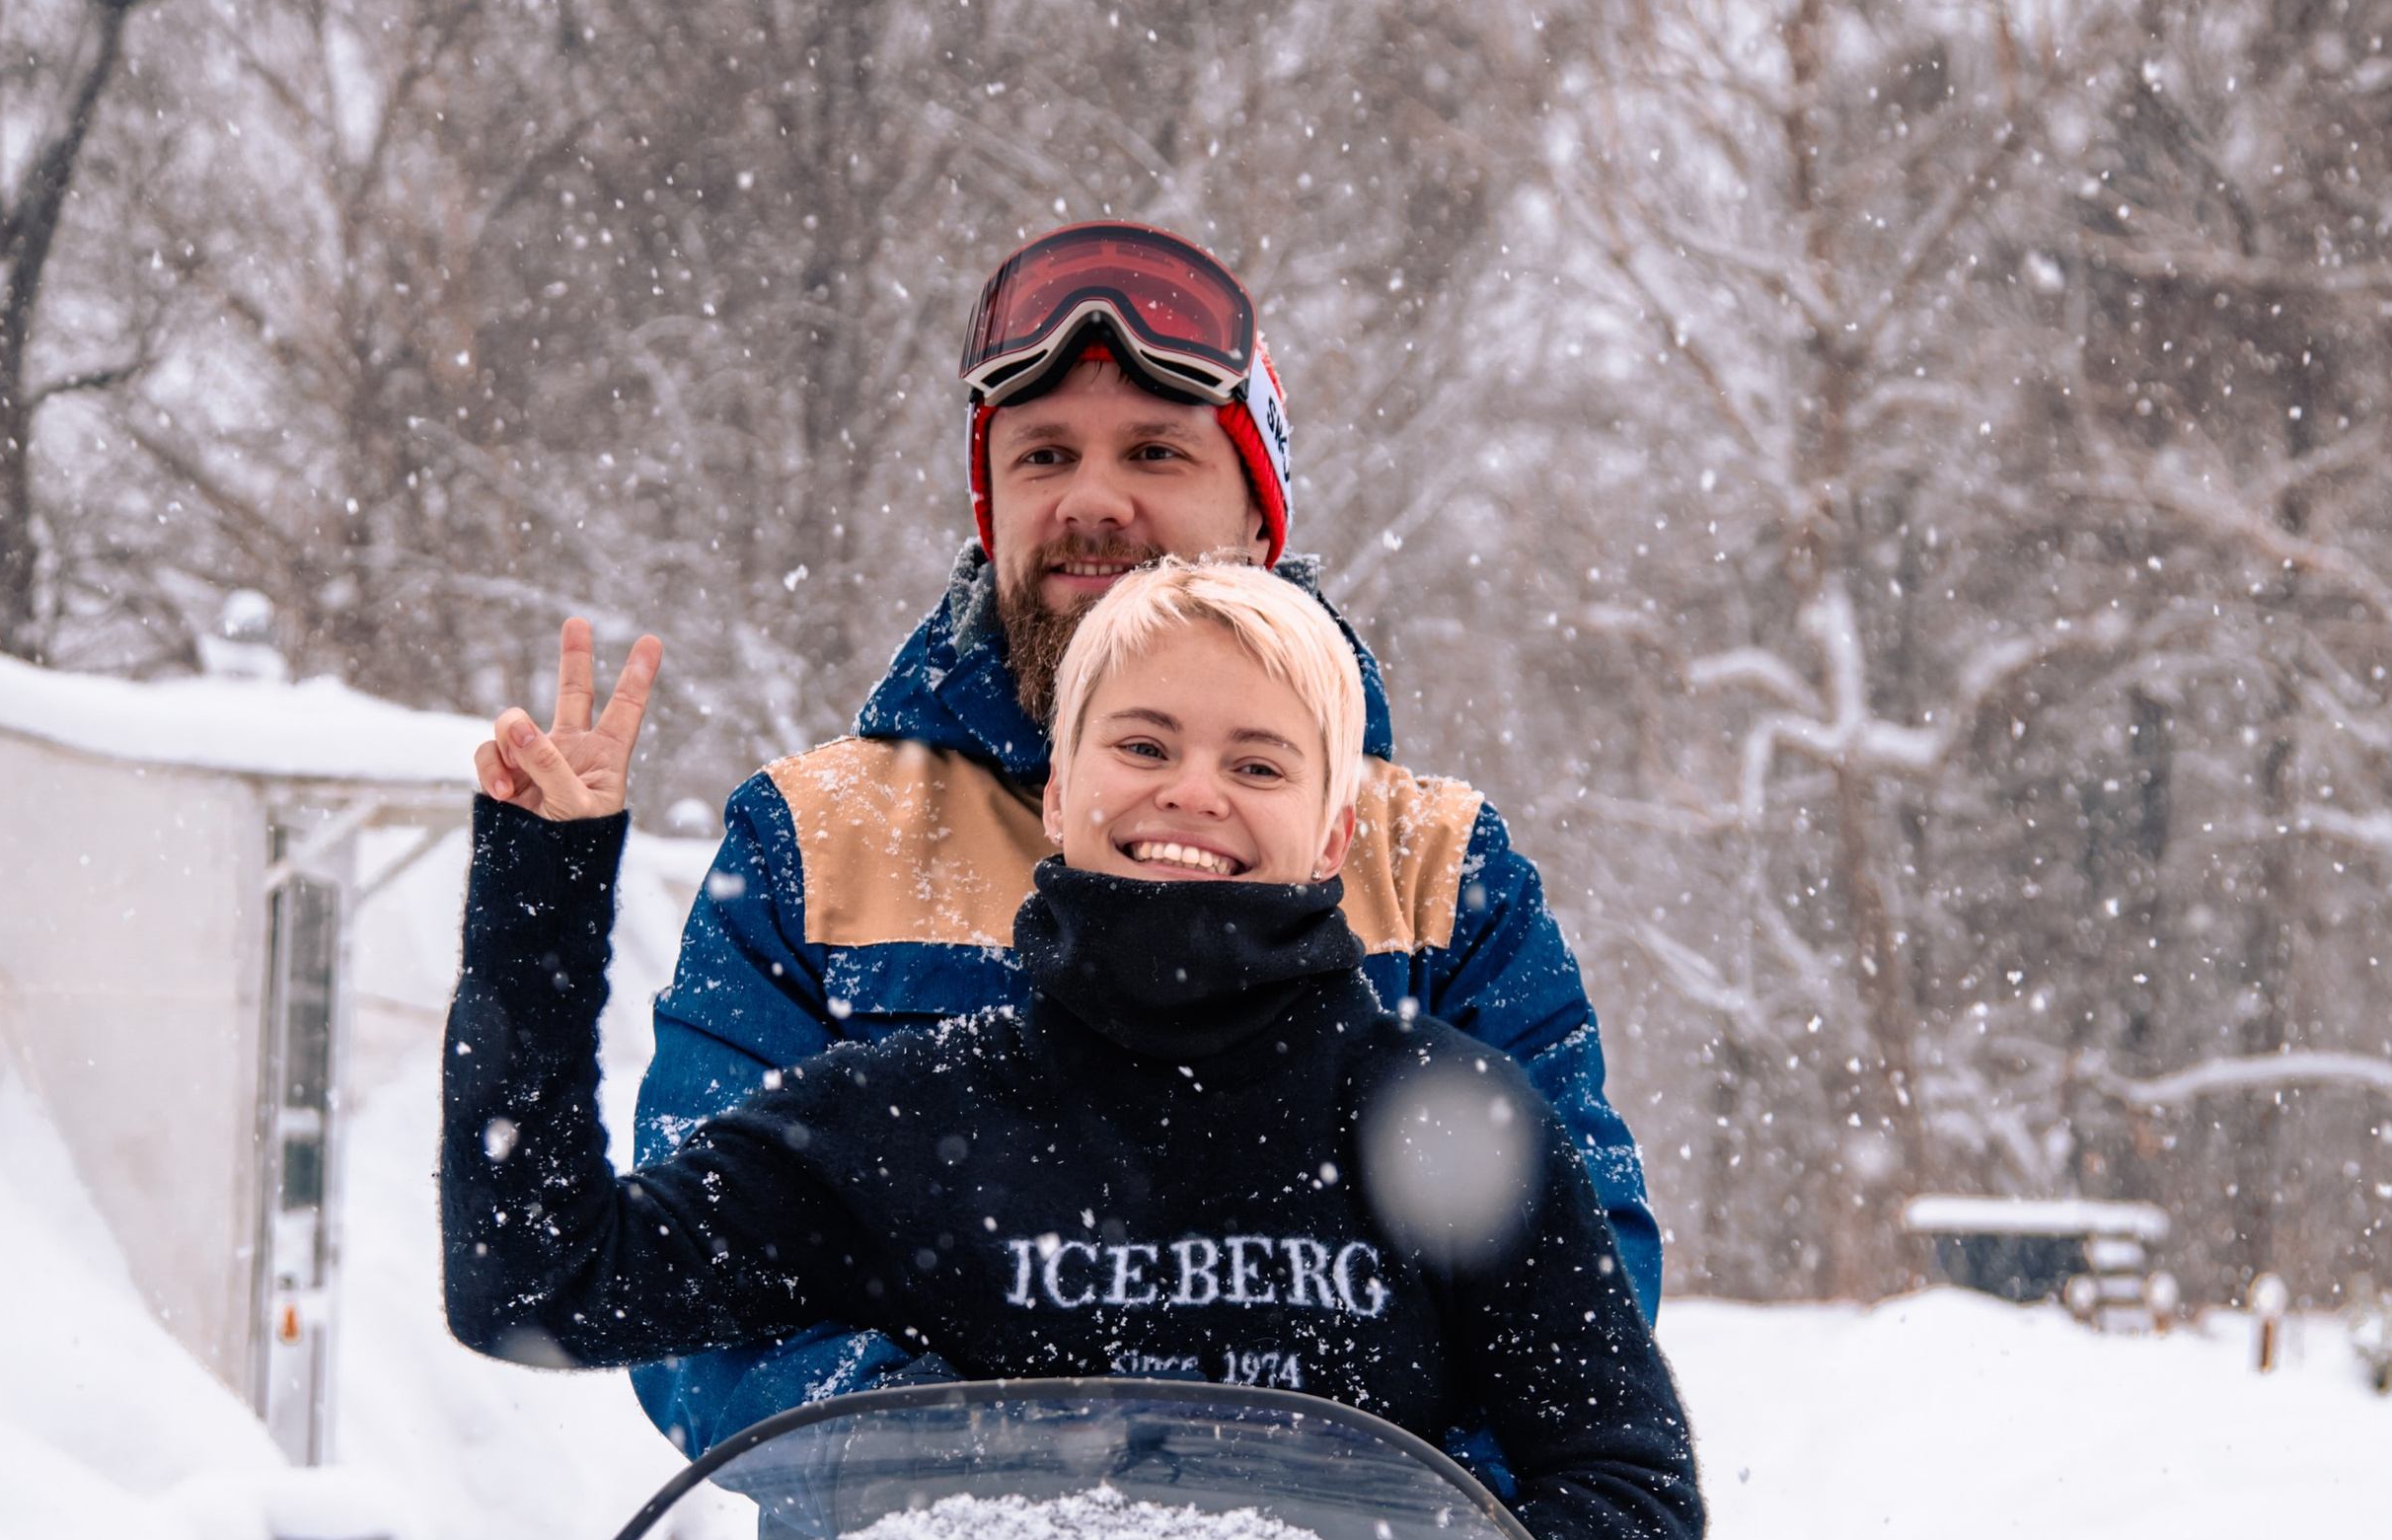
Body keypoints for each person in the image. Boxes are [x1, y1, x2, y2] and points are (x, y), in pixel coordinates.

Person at [447, 563, 1703, 1540]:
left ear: (1333, 833)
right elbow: (537, 1283)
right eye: (1142, 744)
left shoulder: (1449, 1121)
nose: (1190, 791)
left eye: (1258, 762)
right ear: (1057, 789)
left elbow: (1627, 1496)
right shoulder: (900, 1119)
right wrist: (537, 897)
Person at [615, 219, 1662, 1473]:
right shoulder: (816, 843)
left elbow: (1580, 1303)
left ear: (1259, 517)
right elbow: (690, 1299)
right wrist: (988, 1481)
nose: (1092, 500)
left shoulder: (1436, 866)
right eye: (1043, 454)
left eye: (1155, 452)